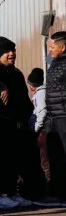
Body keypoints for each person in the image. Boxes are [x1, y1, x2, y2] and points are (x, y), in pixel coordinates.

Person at [0, 37, 36, 209]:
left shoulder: (17, 73)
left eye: (13, 50)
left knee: (15, 159)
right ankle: (1, 195)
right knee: (2, 159)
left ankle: (12, 192)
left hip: (17, 123)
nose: (11, 54)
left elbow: (25, 100)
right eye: (6, 51)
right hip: (0, 123)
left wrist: (24, 117)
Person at [45, 31, 66, 203]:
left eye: (52, 47)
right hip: (53, 116)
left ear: (63, 46)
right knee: (55, 155)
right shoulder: (54, 62)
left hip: (63, 115)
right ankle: (58, 192)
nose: (50, 51)